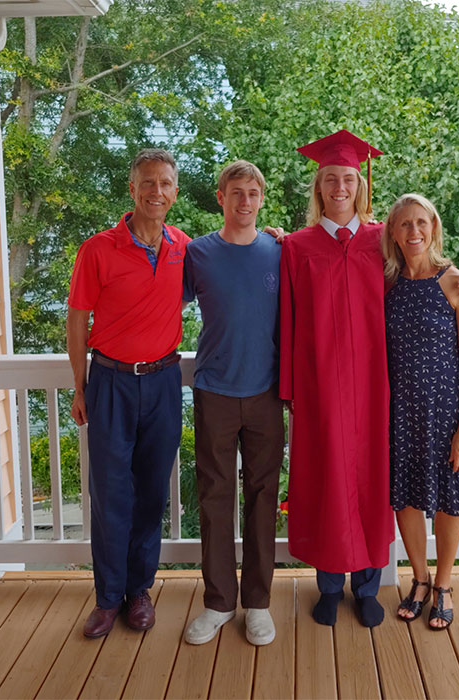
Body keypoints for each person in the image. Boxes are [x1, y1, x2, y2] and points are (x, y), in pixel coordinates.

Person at [279, 130, 459, 629]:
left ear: (360, 185)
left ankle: (369, 585)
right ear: (319, 187)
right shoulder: (295, 246)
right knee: (329, 480)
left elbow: (430, 266)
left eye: (348, 178)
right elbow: (285, 320)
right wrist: (290, 389)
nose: (340, 187)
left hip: (378, 394)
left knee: (374, 486)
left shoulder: (380, 241)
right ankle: (329, 585)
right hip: (323, 390)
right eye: (330, 179)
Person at [67, 148, 188, 638]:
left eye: (165, 183)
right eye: (147, 183)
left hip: (163, 381)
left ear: (175, 192)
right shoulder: (97, 249)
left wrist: (275, 239)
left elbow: (230, 263)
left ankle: (140, 591)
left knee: (153, 493)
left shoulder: (183, 247)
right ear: (132, 188)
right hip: (111, 383)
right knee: (110, 494)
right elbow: (76, 319)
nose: (156, 192)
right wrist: (80, 386)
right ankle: (107, 598)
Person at [182, 161, 284, 646]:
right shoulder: (197, 254)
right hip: (215, 391)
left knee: (264, 499)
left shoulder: (278, 252)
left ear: (261, 199)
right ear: (220, 197)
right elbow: (157, 297)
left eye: (253, 193)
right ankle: (219, 602)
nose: (245, 202)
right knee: (215, 498)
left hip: (267, 392)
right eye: (235, 193)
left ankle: (258, 603)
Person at [382, 193, 459, 630]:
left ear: (434, 226)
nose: (414, 232)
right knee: (404, 498)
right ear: (393, 231)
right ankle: (420, 580)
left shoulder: (458, 282)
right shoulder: (386, 282)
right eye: (405, 224)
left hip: (445, 411)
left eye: (421, 223)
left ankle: (444, 583)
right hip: (399, 411)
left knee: (449, 499)